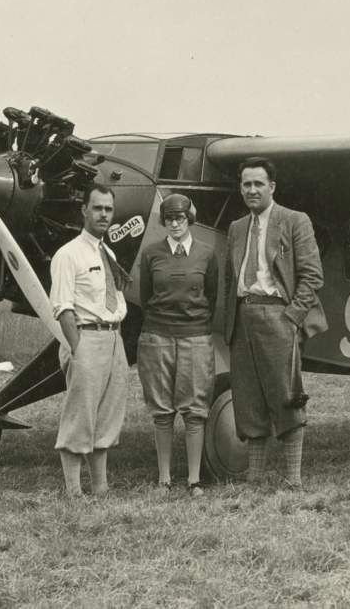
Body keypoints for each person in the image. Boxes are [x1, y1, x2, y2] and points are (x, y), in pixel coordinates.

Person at [224, 157, 327, 488]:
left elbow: (312, 276)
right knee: (247, 397)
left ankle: (292, 478)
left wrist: (292, 318)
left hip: (277, 315)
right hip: (244, 316)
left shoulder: (295, 220)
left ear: (272, 187)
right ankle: (254, 478)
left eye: (258, 184)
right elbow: (230, 279)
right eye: (246, 184)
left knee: (286, 395)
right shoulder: (237, 228)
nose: (251, 190)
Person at [50, 183, 130, 497]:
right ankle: (74, 491)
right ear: (84, 210)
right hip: (86, 339)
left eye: (108, 209)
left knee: (107, 416)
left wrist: (116, 343)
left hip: (113, 339)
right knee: (80, 416)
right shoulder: (68, 255)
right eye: (97, 208)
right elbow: (63, 308)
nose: (103, 214)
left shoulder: (106, 251)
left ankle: (100, 487)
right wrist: (78, 349)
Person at [137, 193, 219, 497]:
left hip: (195, 337)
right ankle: (164, 479)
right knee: (161, 409)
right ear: (163, 221)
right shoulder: (151, 254)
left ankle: (194, 480)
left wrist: (192, 324)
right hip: (157, 336)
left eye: (180, 218)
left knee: (195, 409)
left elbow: (211, 295)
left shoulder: (207, 255)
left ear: (190, 219)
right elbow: (146, 298)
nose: (174, 223)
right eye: (169, 218)